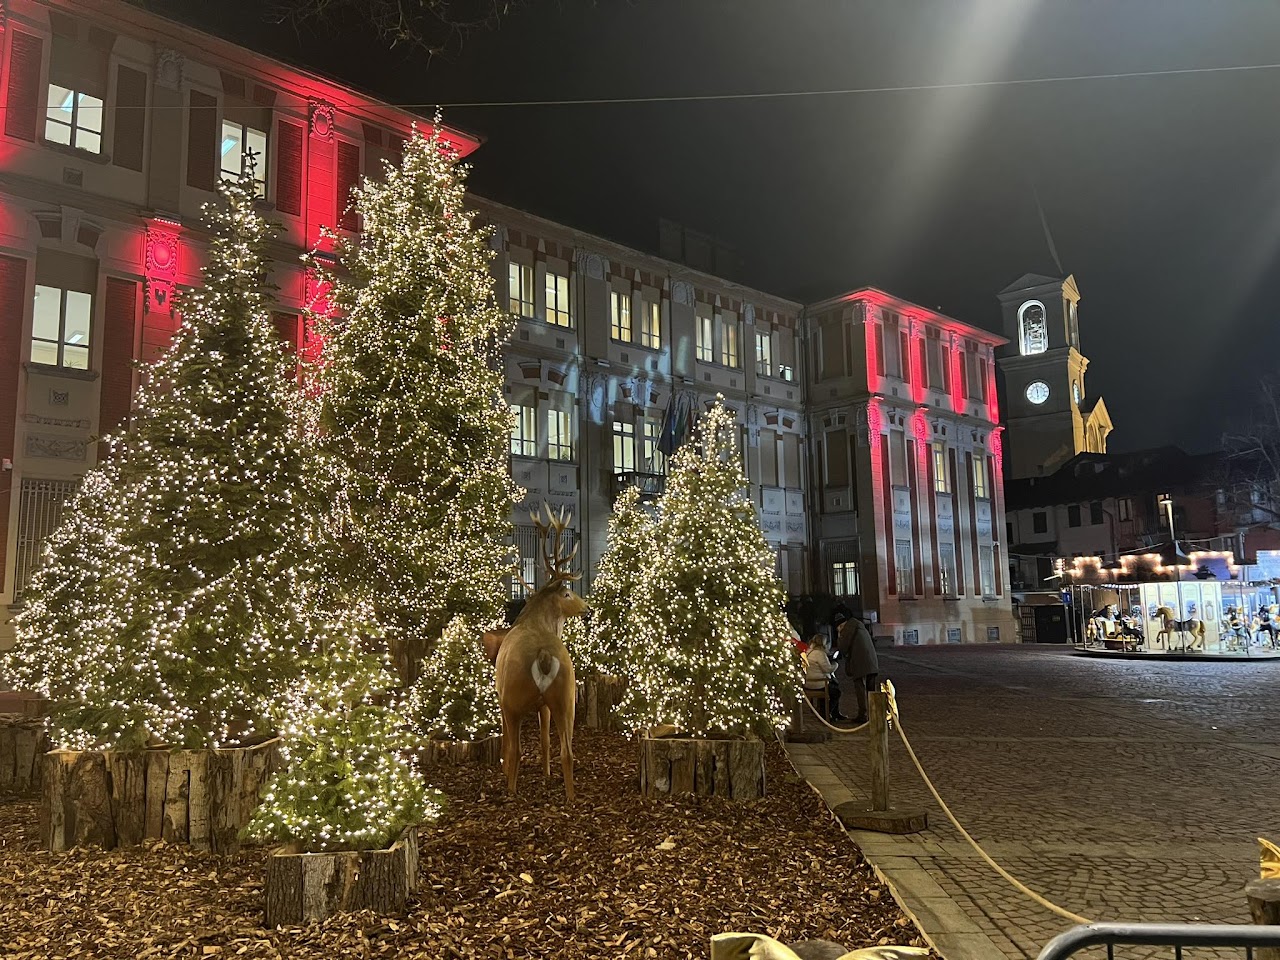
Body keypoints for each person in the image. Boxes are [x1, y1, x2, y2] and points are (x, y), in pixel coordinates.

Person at [837, 616, 879, 724]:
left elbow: (842, 647)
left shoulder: (847, 630)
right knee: (871, 690)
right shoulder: (859, 626)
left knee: (860, 688)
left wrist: (839, 635)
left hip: (859, 662)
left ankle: (863, 714)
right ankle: (874, 713)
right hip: (871, 662)